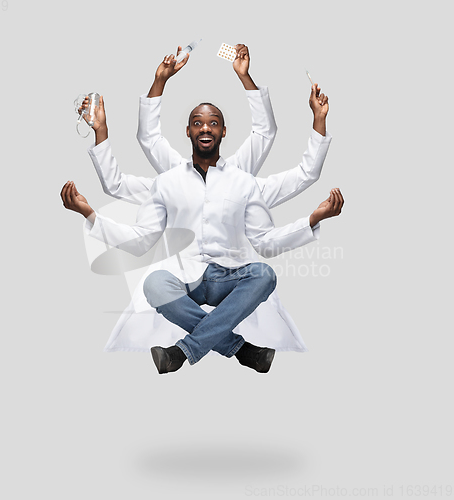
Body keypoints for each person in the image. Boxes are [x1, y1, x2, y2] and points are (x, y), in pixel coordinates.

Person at [74, 45, 334, 363]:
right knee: (154, 283)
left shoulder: (243, 180)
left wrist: (312, 217)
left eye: (213, 123)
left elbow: (289, 162)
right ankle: (243, 350)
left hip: (231, 277)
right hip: (185, 278)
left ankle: (182, 352)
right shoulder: (169, 180)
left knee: (264, 275)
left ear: (224, 131)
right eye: (197, 123)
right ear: (188, 131)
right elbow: (141, 151)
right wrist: (149, 89)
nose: (205, 127)